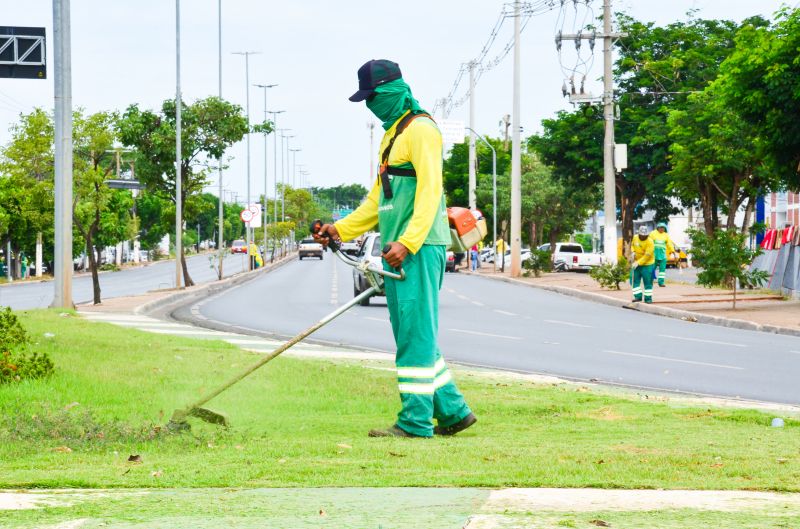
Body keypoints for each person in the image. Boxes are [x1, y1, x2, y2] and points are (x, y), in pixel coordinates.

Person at [314, 59, 476, 438]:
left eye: (373, 97)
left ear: (391, 90)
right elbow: (376, 203)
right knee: (414, 335)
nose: (370, 105)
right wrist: (338, 228)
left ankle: (416, 422)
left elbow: (430, 191)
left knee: (415, 338)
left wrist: (408, 241)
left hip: (418, 249)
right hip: (399, 249)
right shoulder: (393, 136)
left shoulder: (422, 130)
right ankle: (453, 411)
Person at [630, 225, 655, 303]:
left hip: (648, 265)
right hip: (637, 264)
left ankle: (648, 299)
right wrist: (633, 252)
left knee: (648, 282)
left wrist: (638, 262)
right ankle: (638, 296)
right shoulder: (635, 237)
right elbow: (632, 245)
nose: (644, 237)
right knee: (634, 280)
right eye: (642, 235)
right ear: (639, 234)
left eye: (645, 235)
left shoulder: (650, 242)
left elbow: (647, 256)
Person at [649, 222, 675, 287]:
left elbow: (669, 243)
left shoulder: (666, 235)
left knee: (662, 270)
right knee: (652, 269)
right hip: (654, 255)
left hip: (663, 255)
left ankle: (661, 282)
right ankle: (649, 282)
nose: (662, 229)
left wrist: (672, 250)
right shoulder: (653, 233)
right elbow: (648, 242)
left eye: (663, 228)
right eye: (661, 228)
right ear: (658, 228)